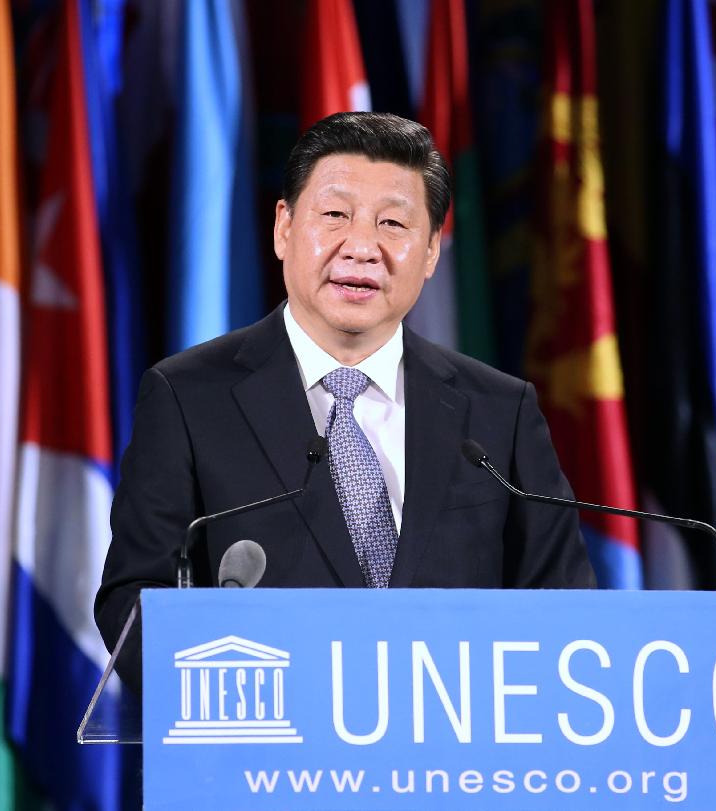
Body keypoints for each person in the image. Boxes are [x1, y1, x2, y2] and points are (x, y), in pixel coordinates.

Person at [95, 112, 595, 688]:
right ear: (283, 227)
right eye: (334, 215)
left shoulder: (499, 412)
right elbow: (132, 606)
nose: (361, 247)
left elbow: (567, 610)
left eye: (393, 224)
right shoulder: (187, 397)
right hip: (270, 760)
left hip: (457, 763)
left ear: (431, 250)